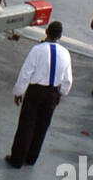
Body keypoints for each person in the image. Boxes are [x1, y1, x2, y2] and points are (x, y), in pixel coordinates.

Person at [7, 21, 72, 167]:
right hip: (52, 93)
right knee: (42, 127)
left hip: (36, 91)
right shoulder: (65, 54)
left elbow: (26, 73)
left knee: (26, 125)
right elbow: (67, 79)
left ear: (46, 31)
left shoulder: (37, 50)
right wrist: (61, 93)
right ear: (60, 36)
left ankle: (17, 159)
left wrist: (18, 92)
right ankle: (31, 158)